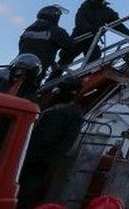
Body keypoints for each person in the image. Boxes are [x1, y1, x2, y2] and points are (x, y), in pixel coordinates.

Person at [17, 75, 85, 209]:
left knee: (27, 192)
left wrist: (49, 159)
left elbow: (67, 141)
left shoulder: (72, 113)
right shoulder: (51, 107)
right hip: (28, 153)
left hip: (41, 160)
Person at [57, 0, 129, 70]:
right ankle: (55, 76)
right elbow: (80, 21)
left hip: (92, 40)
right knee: (66, 57)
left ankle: (88, 74)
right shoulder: (85, 7)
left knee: (95, 56)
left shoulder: (107, 11)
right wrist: (90, 28)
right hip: (80, 37)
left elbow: (117, 25)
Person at [19, 5, 74, 79]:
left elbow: (21, 47)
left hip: (19, 65)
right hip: (36, 69)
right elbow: (69, 46)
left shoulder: (28, 31)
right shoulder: (56, 31)